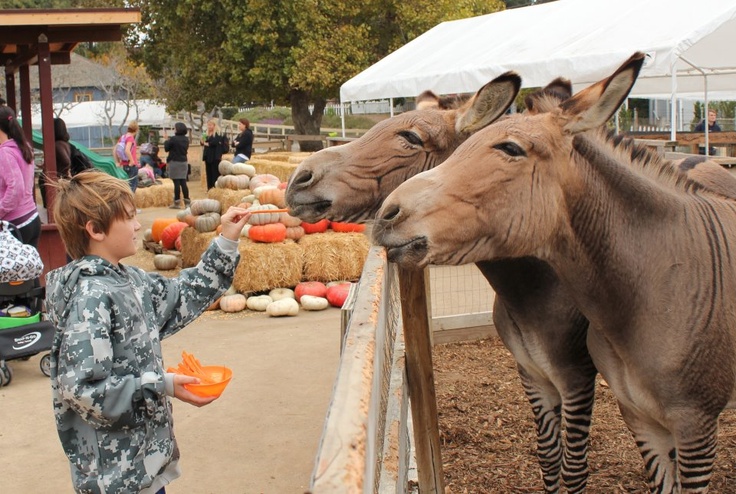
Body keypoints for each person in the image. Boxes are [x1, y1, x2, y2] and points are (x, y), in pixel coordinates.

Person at [45, 171, 251, 494]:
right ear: (95, 230)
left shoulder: (132, 282)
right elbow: (82, 389)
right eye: (129, 218)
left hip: (145, 469)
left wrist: (226, 240)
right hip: (115, 480)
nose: (139, 225)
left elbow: (185, 294)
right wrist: (161, 384)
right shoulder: (90, 299)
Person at [0, 106, 41, 249]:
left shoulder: (5, 153)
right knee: (31, 271)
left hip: (15, 225)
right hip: (32, 218)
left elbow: (16, 189)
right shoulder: (23, 147)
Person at [164, 122, 191, 209]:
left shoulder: (173, 139)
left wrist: (166, 140)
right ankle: (187, 202)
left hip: (175, 162)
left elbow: (166, 148)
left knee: (176, 183)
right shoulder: (186, 139)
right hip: (183, 162)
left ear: (177, 129)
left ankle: (177, 202)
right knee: (183, 182)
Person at [114, 120, 140, 193]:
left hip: (124, 165)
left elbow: (114, 150)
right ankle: (130, 203)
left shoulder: (123, 137)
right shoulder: (130, 138)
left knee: (125, 187)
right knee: (132, 188)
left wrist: (117, 162)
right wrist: (132, 161)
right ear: (136, 129)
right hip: (131, 166)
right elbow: (127, 150)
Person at [201, 119, 227, 189]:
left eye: (210, 125)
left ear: (214, 125)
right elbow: (202, 142)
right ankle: (209, 188)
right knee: (208, 172)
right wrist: (204, 141)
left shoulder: (218, 133)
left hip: (215, 155)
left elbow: (214, 142)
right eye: (208, 125)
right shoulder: (205, 133)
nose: (209, 127)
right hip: (207, 155)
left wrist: (206, 143)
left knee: (215, 172)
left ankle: (216, 187)